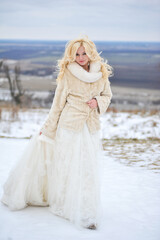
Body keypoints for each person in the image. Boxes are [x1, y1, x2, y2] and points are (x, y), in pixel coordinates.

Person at [1, 35, 113, 230]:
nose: (80, 57)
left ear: (90, 53)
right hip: (69, 127)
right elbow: (57, 104)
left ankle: (86, 209)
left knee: (88, 169)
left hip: (91, 127)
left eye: (84, 53)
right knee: (68, 167)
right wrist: (48, 128)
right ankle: (65, 206)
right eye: (77, 54)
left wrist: (98, 102)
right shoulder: (68, 74)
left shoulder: (101, 73)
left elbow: (107, 95)